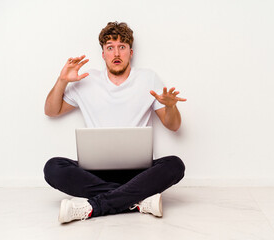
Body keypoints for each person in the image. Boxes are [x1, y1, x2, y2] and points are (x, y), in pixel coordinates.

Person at [43, 21, 186, 224]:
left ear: (131, 52)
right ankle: (137, 201)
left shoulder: (148, 78)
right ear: (103, 54)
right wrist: (62, 80)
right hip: (94, 174)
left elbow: (174, 126)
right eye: (110, 47)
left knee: (175, 165)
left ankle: (93, 206)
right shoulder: (87, 80)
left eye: (122, 47)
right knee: (53, 167)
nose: (116, 53)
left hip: (138, 173)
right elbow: (51, 110)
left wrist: (171, 106)